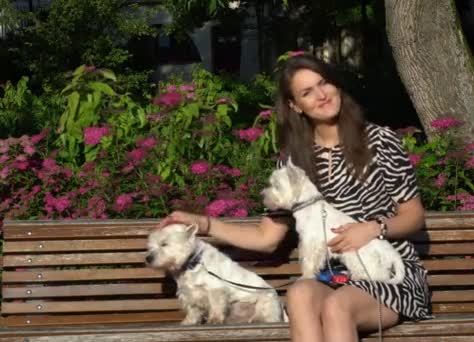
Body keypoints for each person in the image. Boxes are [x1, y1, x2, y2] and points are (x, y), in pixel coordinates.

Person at [159, 54, 432, 342]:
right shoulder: (293, 161)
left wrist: (373, 228)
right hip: (333, 278)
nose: (321, 95)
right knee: (300, 294)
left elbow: (413, 216)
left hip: (389, 276)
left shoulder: (380, 141)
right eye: (307, 92)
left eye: (323, 83)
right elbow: (266, 237)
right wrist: (203, 224)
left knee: (336, 307)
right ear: (295, 106)